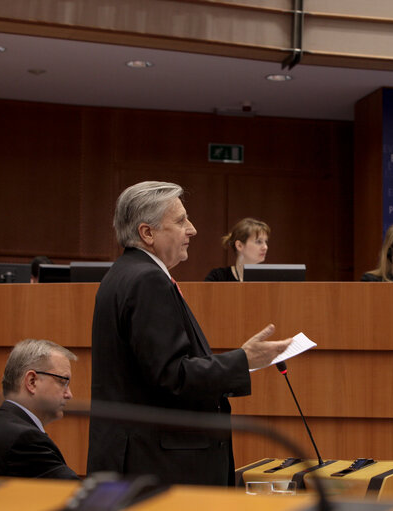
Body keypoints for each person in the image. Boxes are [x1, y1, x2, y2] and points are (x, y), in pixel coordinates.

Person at [87, 181, 292, 486]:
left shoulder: (122, 274)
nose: (193, 229)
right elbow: (173, 375)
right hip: (160, 464)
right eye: (181, 221)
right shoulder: (147, 281)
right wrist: (243, 360)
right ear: (147, 233)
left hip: (139, 457)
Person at [0, 339, 79, 479]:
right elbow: (76, 493)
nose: (69, 394)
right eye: (63, 382)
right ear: (32, 381)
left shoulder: (1, 423)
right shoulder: (24, 439)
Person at [205, 218, 270, 282]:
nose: (265, 247)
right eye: (259, 242)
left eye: (266, 242)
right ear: (239, 245)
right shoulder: (218, 277)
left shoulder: (270, 278)